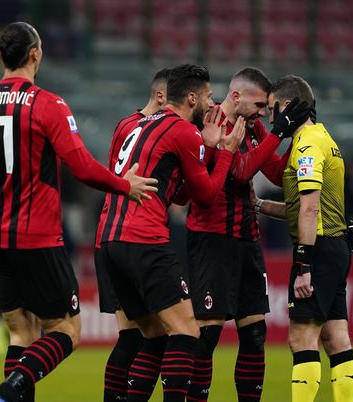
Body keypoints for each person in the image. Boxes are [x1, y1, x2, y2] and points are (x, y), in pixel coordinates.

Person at [0, 22, 158, 402]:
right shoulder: (48, 104)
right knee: (66, 330)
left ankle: (7, 394)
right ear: (35, 54)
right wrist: (126, 185)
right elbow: (81, 166)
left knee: (20, 334)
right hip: (37, 239)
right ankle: (8, 392)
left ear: (0, 57)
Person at [97, 63, 244, 402]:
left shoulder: (140, 123)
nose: (212, 103)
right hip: (144, 238)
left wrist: (204, 150)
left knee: (152, 334)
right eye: (208, 96)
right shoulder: (182, 131)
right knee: (187, 331)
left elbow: (178, 193)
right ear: (191, 97)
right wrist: (223, 153)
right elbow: (206, 197)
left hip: (109, 238)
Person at [181, 67, 310, 402]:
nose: (264, 114)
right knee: (207, 336)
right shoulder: (209, 123)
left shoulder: (252, 128)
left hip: (247, 241)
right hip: (211, 241)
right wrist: (276, 134)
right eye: (259, 106)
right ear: (236, 97)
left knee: (254, 334)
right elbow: (239, 172)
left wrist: (297, 136)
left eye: (268, 109)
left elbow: (278, 174)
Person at [264, 75, 353, 402]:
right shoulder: (323, 138)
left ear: (287, 107)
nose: (269, 117)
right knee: (335, 337)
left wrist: (303, 263)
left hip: (317, 250)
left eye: (272, 109)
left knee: (302, 339)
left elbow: (309, 208)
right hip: (337, 245)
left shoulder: (305, 145)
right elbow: (299, 206)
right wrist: (259, 205)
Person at [94, 67, 170, 401]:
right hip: (129, 236)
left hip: (110, 235)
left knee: (133, 336)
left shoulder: (126, 126)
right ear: (160, 96)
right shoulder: (140, 128)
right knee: (143, 335)